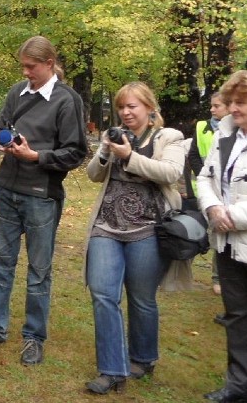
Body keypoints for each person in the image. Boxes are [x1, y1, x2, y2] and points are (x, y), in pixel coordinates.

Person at [0, 36, 87, 365]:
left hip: (41, 196)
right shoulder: (17, 92)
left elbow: (75, 151)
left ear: (49, 63)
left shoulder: (67, 100)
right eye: (23, 66)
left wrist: (36, 156)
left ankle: (33, 337)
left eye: (31, 67)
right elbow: (2, 129)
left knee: (38, 271)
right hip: (6, 189)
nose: (26, 72)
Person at [82, 82, 185, 394]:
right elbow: (93, 175)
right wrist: (105, 149)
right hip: (106, 226)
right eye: (121, 107)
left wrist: (129, 156)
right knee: (102, 293)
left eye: (132, 107)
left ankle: (142, 357)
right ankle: (112, 369)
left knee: (141, 299)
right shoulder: (116, 136)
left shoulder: (169, 137)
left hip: (147, 229)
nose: (125, 113)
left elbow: (170, 172)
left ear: (149, 108)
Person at [197, 70, 247, 403]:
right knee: (238, 317)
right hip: (227, 243)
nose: (232, 108)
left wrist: (233, 215)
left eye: (241, 102)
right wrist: (212, 208)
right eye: (231, 102)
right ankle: (242, 387)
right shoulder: (226, 136)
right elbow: (205, 178)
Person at [190, 92, 230, 296]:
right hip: (204, 191)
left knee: (221, 236)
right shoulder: (201, 127)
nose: (212, 110)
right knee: (200, 233)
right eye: (211, 106)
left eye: (217, 106)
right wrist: (204, 177)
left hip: (228, 194)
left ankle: (219, 278)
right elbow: (194, 155)